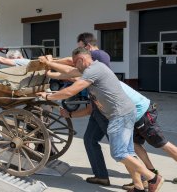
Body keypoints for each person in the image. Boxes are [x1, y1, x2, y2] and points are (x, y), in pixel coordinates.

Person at [37, 47, 164, 192]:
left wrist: (48, 96)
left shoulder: (93, 71)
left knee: (119, 154)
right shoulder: (94, 67)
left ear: (80, 60)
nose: (74, 66)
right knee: (127, 153)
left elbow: (70, 91)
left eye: (74, 63)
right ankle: (138, 187)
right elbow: (69, 72)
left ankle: (152, 178)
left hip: (119, 114)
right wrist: (49, 67)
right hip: (126, 111)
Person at [39, 32, 113, 186]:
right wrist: (50, 71)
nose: (76, 59)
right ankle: (101, 176)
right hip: (97, 105)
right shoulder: (95, 62)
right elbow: (72, 74)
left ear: (87, 47)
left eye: (80, 49)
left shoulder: (97, 56)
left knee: (121, 149)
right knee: (90, 140)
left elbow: (70, 75)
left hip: (107, 108)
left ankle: (147, 178)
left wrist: (51, 61)